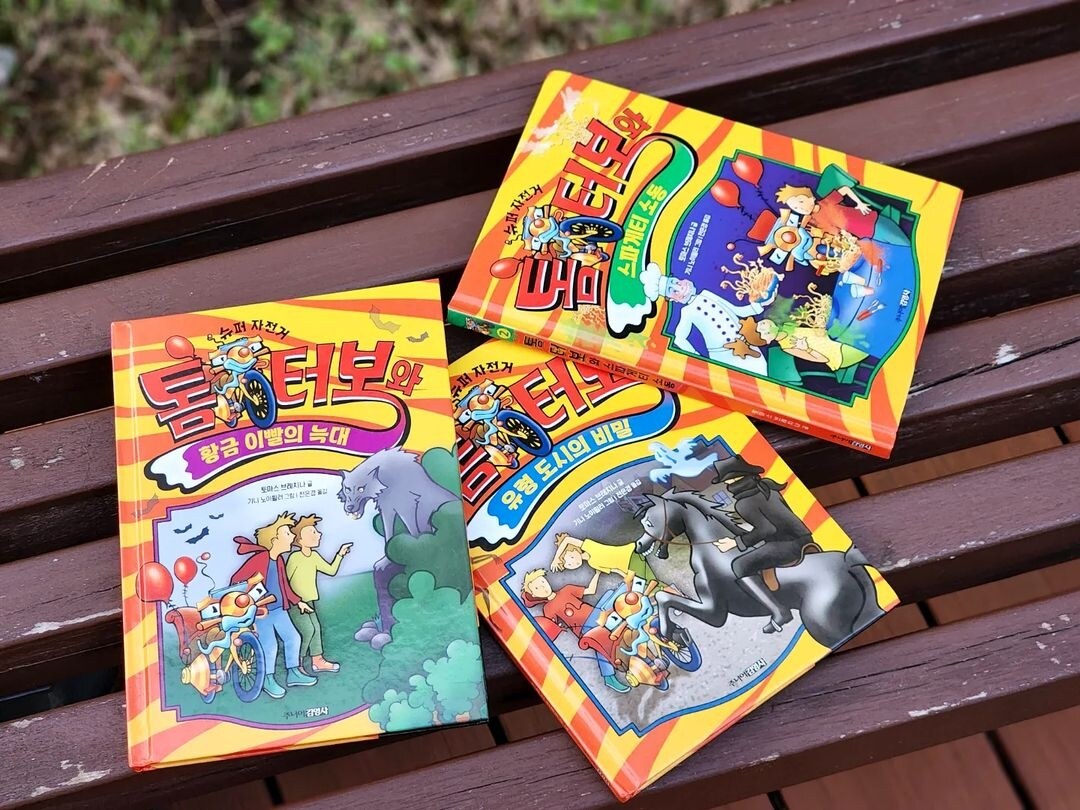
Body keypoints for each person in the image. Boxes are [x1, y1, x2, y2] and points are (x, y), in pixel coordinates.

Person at [231, 512, 317, 698]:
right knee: (269, 647)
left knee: (293, 637)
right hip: (262, 613)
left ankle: (293, 673)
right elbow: (236, 580)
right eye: (287, 533)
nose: (292, 536)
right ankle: (267, 679)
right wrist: (248, 601)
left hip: (279, 610)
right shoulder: (260, 558)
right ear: (274, 540)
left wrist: (298, 602)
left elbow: (284, 585)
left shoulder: (278, 560)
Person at [640, 262, 771, 373]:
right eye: (672, 290)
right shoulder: (687, 311)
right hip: (724, 356)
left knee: (762, 370)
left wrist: (759, 305)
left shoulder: (706, 293)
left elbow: (736, 310)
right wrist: (698, 359)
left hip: (746, 343)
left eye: (674, 282)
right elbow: (679, 338)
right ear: (672, 299)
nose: (678, 287)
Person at [520, 569, 629, 694]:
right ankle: (628, 587)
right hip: (585, 627)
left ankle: (609, 677)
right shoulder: (548, 609)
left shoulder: (566, 589)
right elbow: (552, 627)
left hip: (595, 614)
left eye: (542, 582)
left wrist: (597, 573)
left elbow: (590, 590)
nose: (543, 587)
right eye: (537, 588)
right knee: (601, 632)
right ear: (534, 594)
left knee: (609, 597)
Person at [285, 514, 352, 675]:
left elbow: (331, 570)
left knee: (316, 629)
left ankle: (317, 661)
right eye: (313, 532)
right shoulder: (294, 557)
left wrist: (340, 554)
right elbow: (285, 582)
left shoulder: (314, 556)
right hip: (296, 603)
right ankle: (296, 663)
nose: (318, 534)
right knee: (308, 631)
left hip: (310, 601)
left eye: (316, 531)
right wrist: (295, 601)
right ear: (300, 540)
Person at [550, 531, 657, 582]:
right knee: (652, 583)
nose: (573, 563)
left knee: (652, 583)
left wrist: (556, 559)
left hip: (630, 554)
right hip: (629, 568)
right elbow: (615, 569)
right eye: (569, 565)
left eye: (571, 558)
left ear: (574, 549)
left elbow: (567, 540)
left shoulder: (589, 546)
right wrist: (628, 578)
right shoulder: (592, 564)